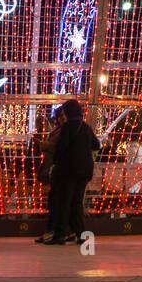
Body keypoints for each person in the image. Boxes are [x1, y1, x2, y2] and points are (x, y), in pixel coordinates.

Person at [44, 99, 101, 245]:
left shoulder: (67, 127)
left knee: (64, 202)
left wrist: (56, 163)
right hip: (84, 170)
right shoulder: (85, 127)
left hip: (68, 171)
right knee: (76, 202)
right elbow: (96, 144)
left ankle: (59, 235)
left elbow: (60, 149)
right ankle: (81, 234)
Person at [32, 108, 64, 243]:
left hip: (57, 169)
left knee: (55, 201)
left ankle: (53, 231)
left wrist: (46, 145)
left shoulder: (64, 130)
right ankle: (56, 231)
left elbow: (60, 147)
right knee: (53, 200)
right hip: (52, 168)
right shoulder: (58, 129)